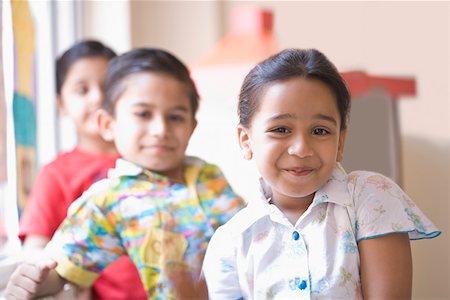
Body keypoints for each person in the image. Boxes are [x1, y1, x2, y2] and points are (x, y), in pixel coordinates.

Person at [202, 48, 441, 299]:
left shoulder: (371, 197)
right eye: (281, 129)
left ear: (340, 142)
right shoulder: (230, 242)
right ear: (246, 141)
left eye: (319, 131)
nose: (301, 149)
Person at [5, 48, 244, 300]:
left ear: (191, 127)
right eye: (143, 114)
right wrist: (36, 282)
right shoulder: (108, 199)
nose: (160, 129)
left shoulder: (209, 175)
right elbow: (64, 269)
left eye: (175, 117)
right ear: (108, 124)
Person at [17, 40, 147, 299]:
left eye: (107, 86)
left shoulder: (151, 161)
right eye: (81, 89)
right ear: (61, 105)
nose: (98, 96)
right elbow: (36, 250)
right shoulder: (57, 174)